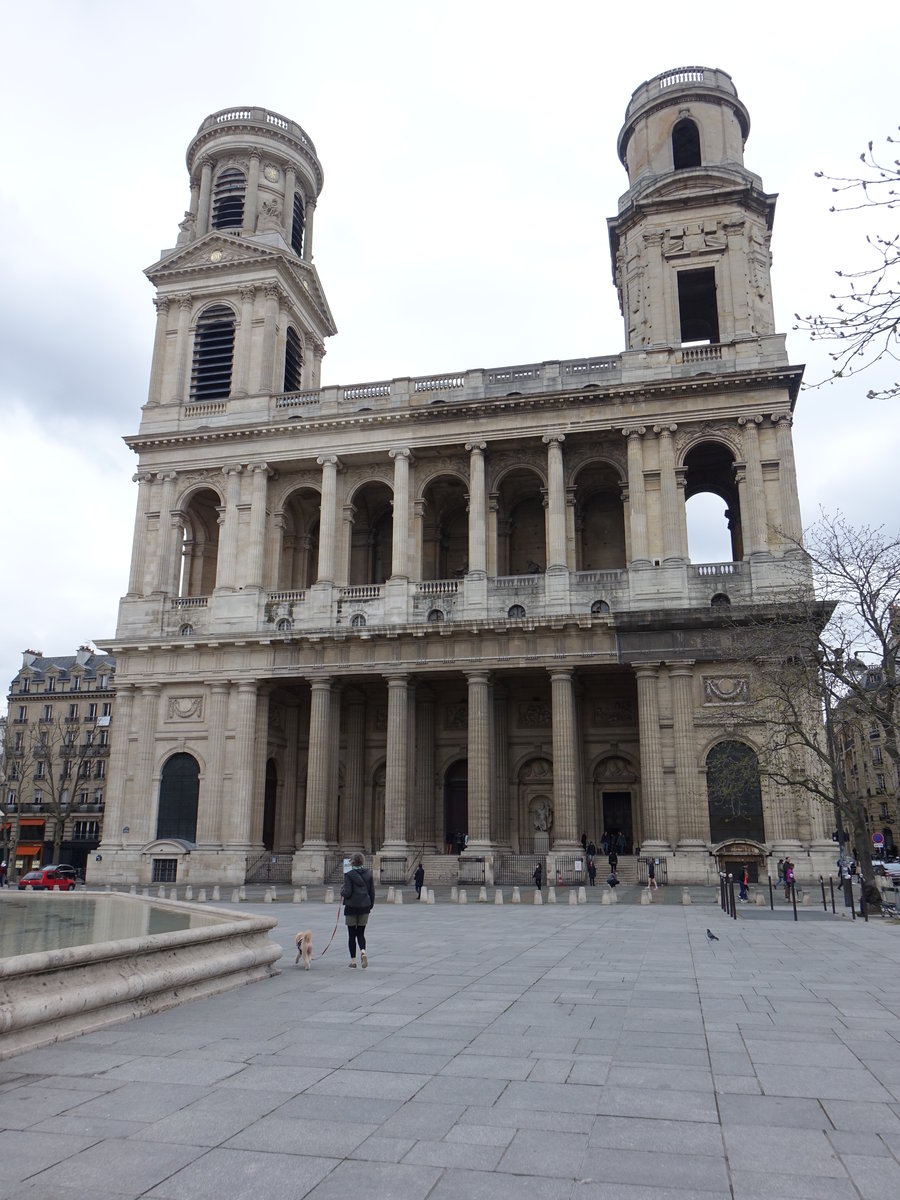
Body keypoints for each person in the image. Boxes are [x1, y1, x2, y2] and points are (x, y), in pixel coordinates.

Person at [340, 852, 375, 968]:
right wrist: (370, 906)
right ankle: (363, 952)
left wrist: (342, 891)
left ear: (353, 862)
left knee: (351, 935)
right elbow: (372, 892)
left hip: (351, 907)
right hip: (365, 906)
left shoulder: (349, 875)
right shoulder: (369, 874)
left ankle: (353, 961)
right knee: (361, 933)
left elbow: (347, 893)